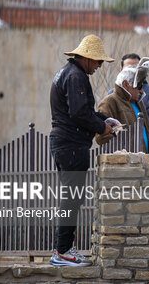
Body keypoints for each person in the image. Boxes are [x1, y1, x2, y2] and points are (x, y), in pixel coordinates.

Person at [49, 34, 116, 266]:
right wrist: (102, 127)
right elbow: (78, 114)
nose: (99, 66)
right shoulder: (77, 76)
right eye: (98, 61)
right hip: (71, 145)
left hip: (65, 144)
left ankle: (63, 249)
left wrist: (106, 120)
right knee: (71, 199)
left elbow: (80, 111)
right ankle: (63, 251)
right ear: (87, 58)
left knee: (71, 199)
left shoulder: (68, 73)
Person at [109, 53, 149, 148]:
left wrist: (143, 140)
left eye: (136, 67)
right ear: (121, 69)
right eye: (129, 67)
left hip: (144, 152)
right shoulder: (112, 96)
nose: (133, 70)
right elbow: (107, 128)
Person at [96, 66, 149, 153]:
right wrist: (123, 152)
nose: (142, 91)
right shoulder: (109, 102)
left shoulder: (139, 102)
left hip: (145, 162)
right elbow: (102, 137)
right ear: (125, 84)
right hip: (127, 164)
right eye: (139, 86)